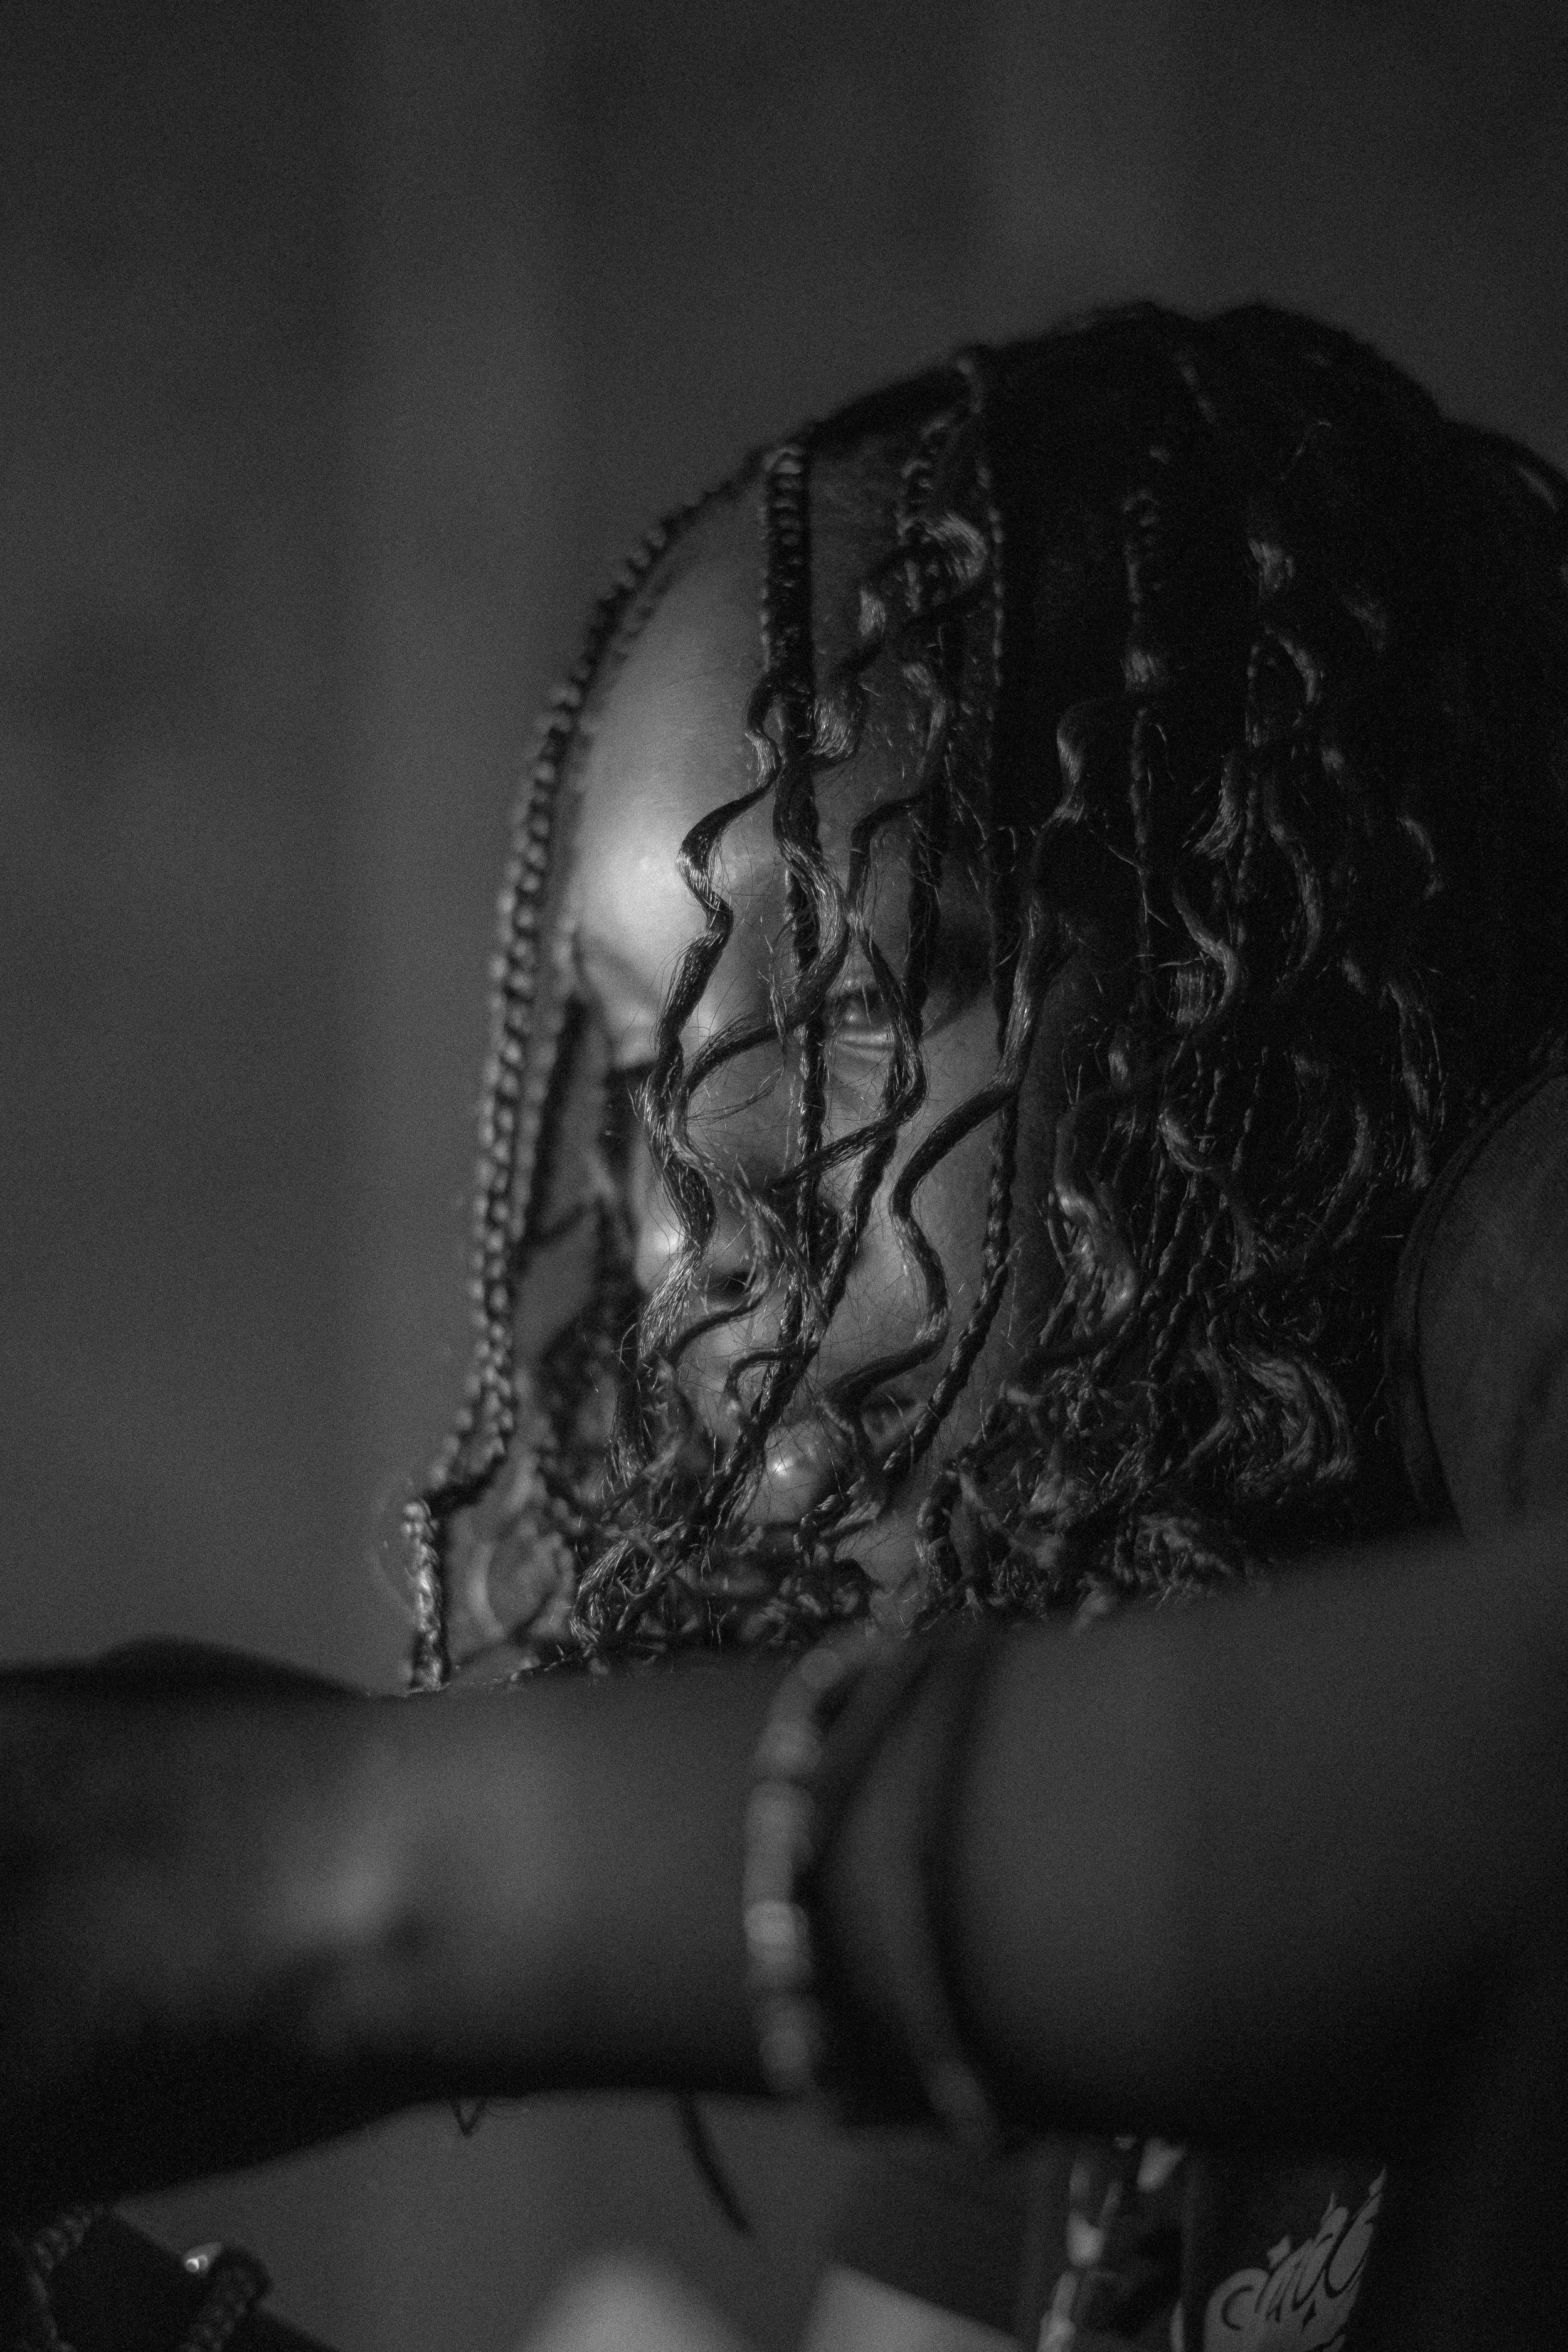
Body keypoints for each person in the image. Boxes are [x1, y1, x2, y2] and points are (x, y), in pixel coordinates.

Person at [3, 305, 1566, 2352]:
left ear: (1240, 957)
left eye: (813, 1017)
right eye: (634, 1064)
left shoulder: (1528, 1232)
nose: (673, 1236)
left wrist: (290, 1874)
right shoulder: (1083, 1714)